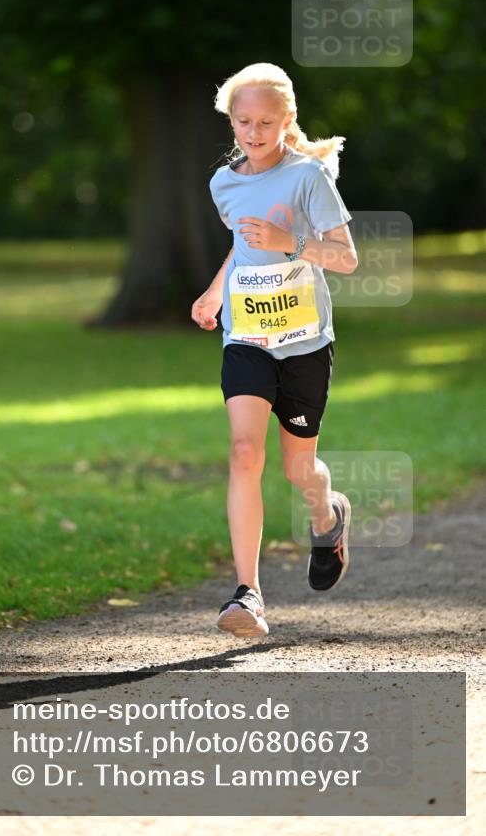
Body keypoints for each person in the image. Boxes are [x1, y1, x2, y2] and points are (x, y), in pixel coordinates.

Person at [191, 62, 358, 639]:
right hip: (247, 337)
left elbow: (346, 257)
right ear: (231, 122)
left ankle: (327, 516)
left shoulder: (308, 177)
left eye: (266, 122)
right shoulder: (224, 183)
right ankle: (248, 594)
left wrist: (293, 242)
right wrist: (216, 291)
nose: (254, 132)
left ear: (287, 121)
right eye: (243, 122)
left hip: (305, 342)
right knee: (244, 452)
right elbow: (244, 248)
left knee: (298, 468)